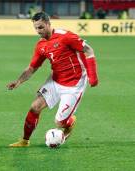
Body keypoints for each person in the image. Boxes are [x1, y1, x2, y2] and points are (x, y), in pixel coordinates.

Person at [7, 12, 98, 147]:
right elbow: (32, 67)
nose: (38, 31)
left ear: (49, 24)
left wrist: (92, 75)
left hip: (74, 84)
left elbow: (89, 50)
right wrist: (18, 81)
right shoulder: (41, 45)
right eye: (36, 28)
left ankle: (69, 122)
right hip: (55, 80)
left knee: (59, 123)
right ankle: (25, 141)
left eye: (41, 27)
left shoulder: (66, 36)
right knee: (34, 107)